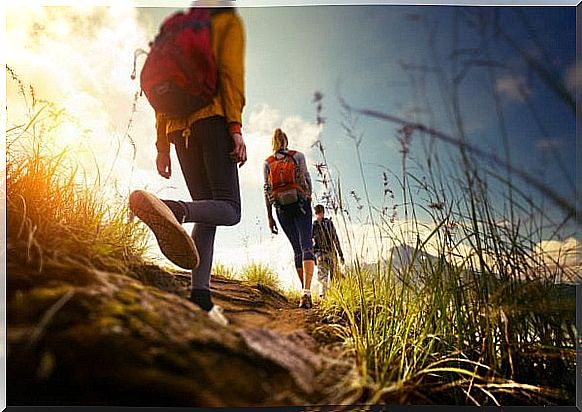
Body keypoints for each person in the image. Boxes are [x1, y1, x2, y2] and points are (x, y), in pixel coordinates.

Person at [129, 4, 245, 326]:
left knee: (207, 211)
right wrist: (235, 128)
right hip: (213, 121)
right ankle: (172, 209)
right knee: (230, 209)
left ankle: (200, 297)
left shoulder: (176, 26)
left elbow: (163, 94)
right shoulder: (225, 22)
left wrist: (162, 146)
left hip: (179, 132)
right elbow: (231, 76)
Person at [264, 128, 315, 309]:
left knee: (297, 249)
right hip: (301, 205)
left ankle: (304, 290)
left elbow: (267, 190)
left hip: (282, 210)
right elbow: (307, 179)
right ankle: (306, 292)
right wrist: (308, 197)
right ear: (286, 141)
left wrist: (270, 217)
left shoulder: (268, 162)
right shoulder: (298, 156)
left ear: (274, 143)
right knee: (307, 245)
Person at [312, 204, 344, 298]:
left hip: (319, 254)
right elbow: (335, 239)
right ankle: (338, 297)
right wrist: (340, 254)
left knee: (323, 277)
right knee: (335, 276)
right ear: (323, 212)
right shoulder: (329, 223)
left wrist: (313, 257)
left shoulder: (313, 225)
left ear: (315, 212)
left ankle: (323, 297)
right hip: (331, 253)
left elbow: (310, 242)